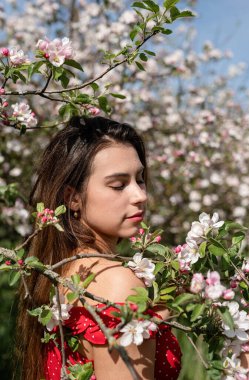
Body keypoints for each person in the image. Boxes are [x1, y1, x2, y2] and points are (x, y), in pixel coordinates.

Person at [17, 116, 182, 380]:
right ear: (73, 198)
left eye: (140, 179)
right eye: (118, 185)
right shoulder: (117, 283)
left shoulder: (62, 271)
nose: (140, 195)